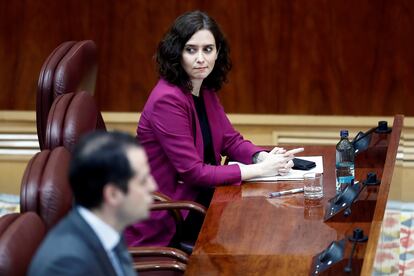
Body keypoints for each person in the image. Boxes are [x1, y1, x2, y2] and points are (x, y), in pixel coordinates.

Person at [125, 10, 303, 247]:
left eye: (207, 49)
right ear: (176, 53)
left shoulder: (203, 88)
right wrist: (260, 169)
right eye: (191, 50)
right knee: (256, 236)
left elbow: (230, 140)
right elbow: (194, 172)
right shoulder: (166, 100)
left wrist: (262, 156)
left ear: (218, 52)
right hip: (173, 214)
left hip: (203, 200)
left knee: (273, 222)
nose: (201, 58)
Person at [29, 131, 157, 276]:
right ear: (113, 194)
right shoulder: (68, 265)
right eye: (143, 180)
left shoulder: (109, 227)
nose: (153, 186)